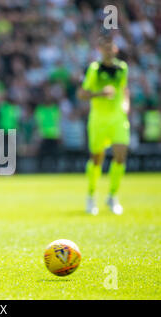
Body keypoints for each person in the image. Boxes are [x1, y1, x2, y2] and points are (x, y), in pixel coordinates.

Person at [77, 34, 130, 215]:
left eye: (111, 47)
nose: (109, 51)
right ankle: (91, 195)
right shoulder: (94, 69)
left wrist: (126, 104)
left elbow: (124, 89)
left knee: (120, 156)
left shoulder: (122, 68)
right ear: (100, 50)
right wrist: (100, 94)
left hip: (117, 118)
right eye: (105, 48)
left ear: (115, 49)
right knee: (96, 159)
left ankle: (112, 196)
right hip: (98, 119)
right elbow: (82, 94)